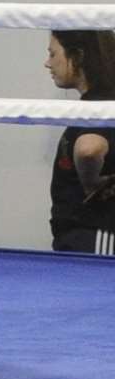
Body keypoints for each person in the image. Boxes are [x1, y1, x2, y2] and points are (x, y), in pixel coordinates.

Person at [43, 30, 115, 254]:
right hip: (86, 233)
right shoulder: (98, 101)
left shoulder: (101, 103)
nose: (47, 63)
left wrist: (90, 182)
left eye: (53, 54)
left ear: (78, 56)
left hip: (95, 233)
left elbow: (88, 149)